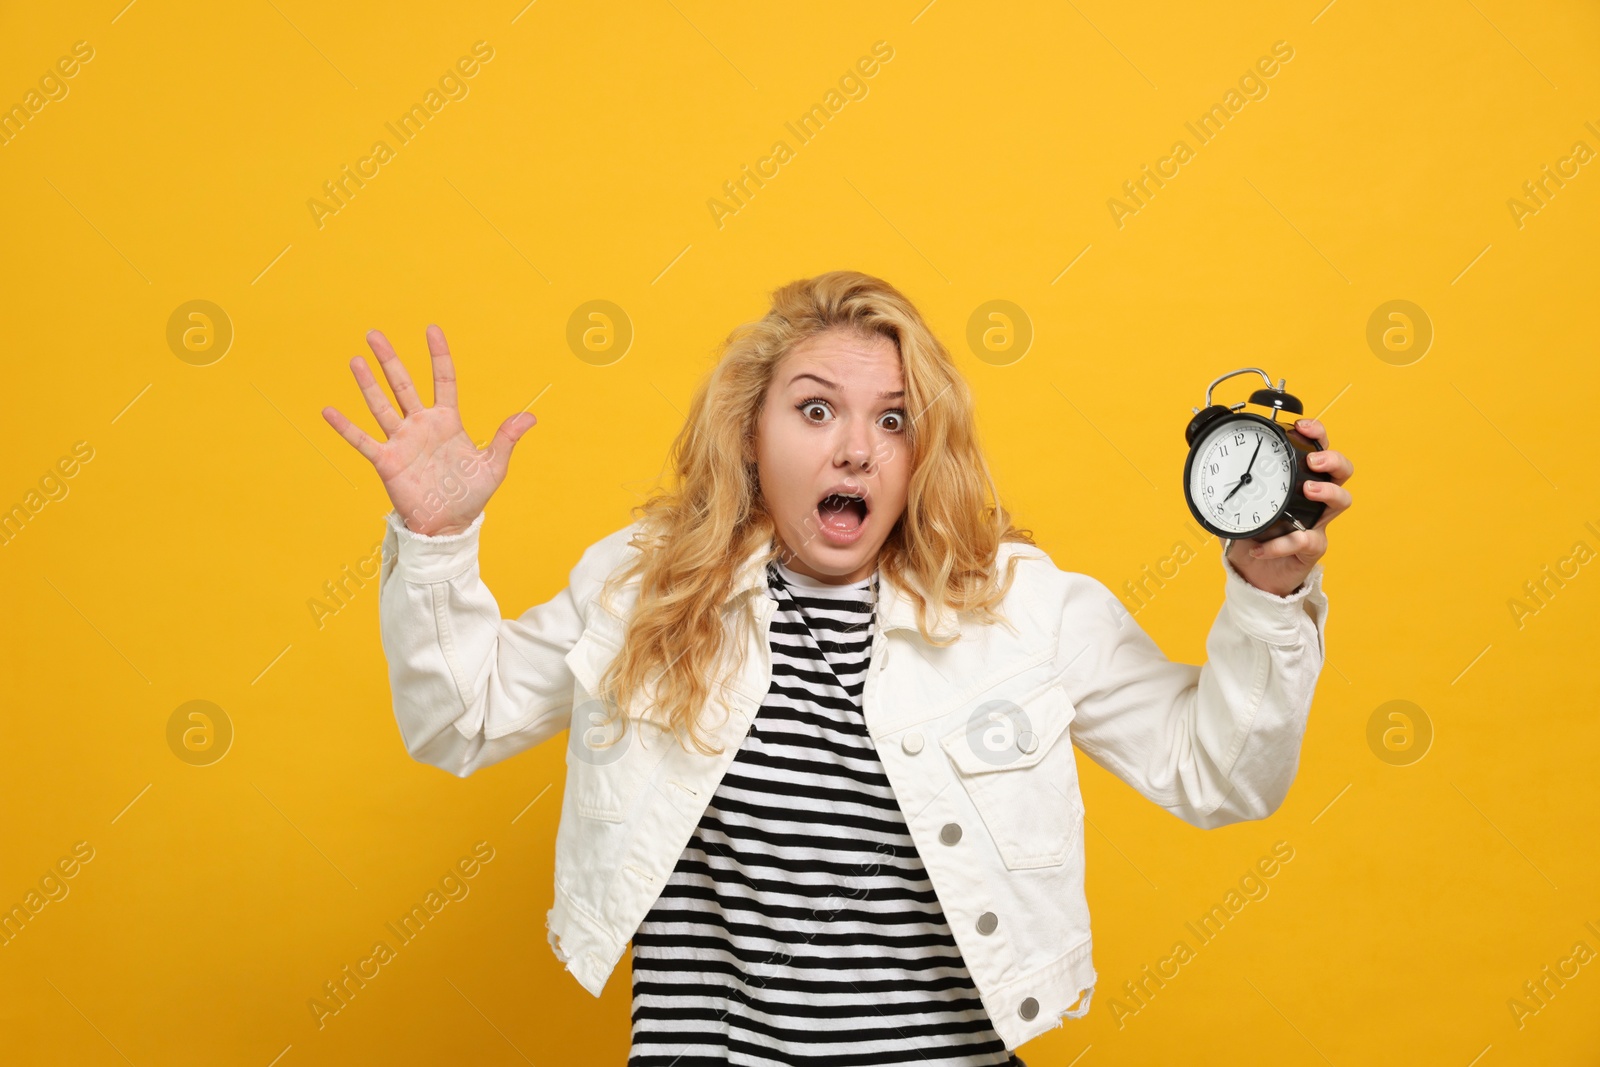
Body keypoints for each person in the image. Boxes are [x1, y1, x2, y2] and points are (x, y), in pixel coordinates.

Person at [322, 270, 1352, 1063]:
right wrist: (440, 545)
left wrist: (1267, 594)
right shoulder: (642, 589)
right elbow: (459, 721)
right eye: (815, 410)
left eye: (891, 419)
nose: (854, 448)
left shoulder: (1025, 606)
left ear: (923, 450)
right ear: (751, 435)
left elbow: (1221, 775)